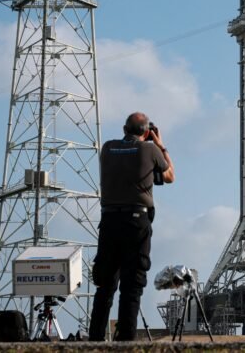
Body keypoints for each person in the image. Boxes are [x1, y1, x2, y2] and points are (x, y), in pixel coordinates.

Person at [89, 112, 175, 341]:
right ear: (147, 133)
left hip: (109, 221)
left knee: (105, 284)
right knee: (132, 284)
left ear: (124, 129)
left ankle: (95, 338)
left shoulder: (107, 148)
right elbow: (169, 175)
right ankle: (125, 339)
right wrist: (160, 144)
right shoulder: (150, 150)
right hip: (136, 221)